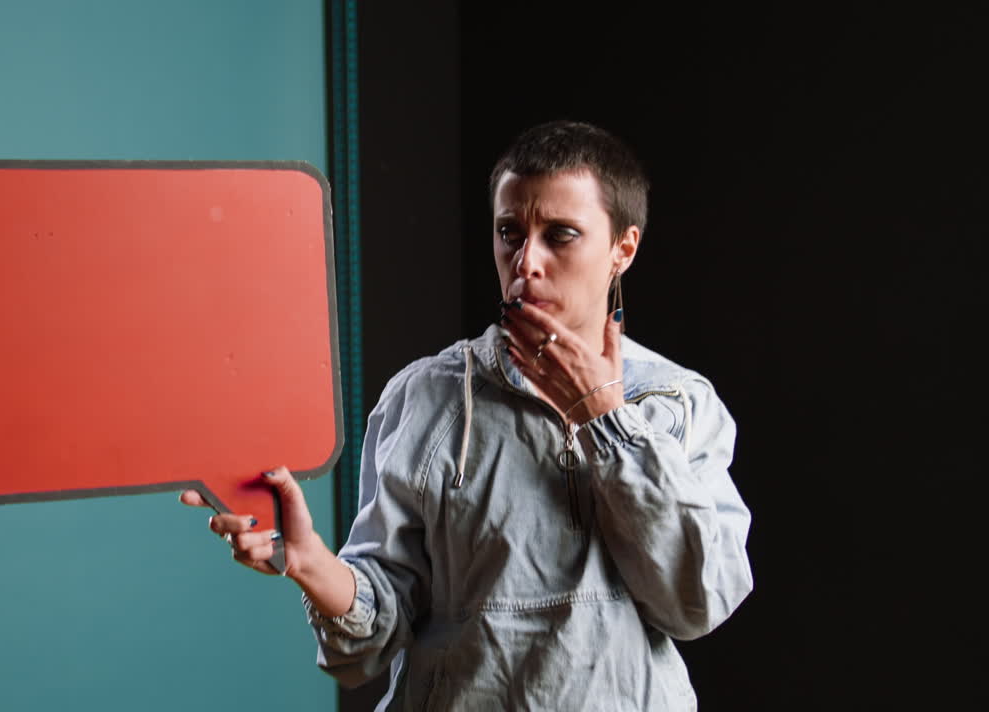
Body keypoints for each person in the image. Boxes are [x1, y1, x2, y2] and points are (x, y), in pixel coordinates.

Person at [180, 120, 753, 710]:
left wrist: (604, 417)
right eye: (510, 232)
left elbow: (697, 602)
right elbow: (373, 636)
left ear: (622, 250)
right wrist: (312, 566)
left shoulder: (676, 403)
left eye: (561, 235)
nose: (526, 260)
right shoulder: (426, 397)